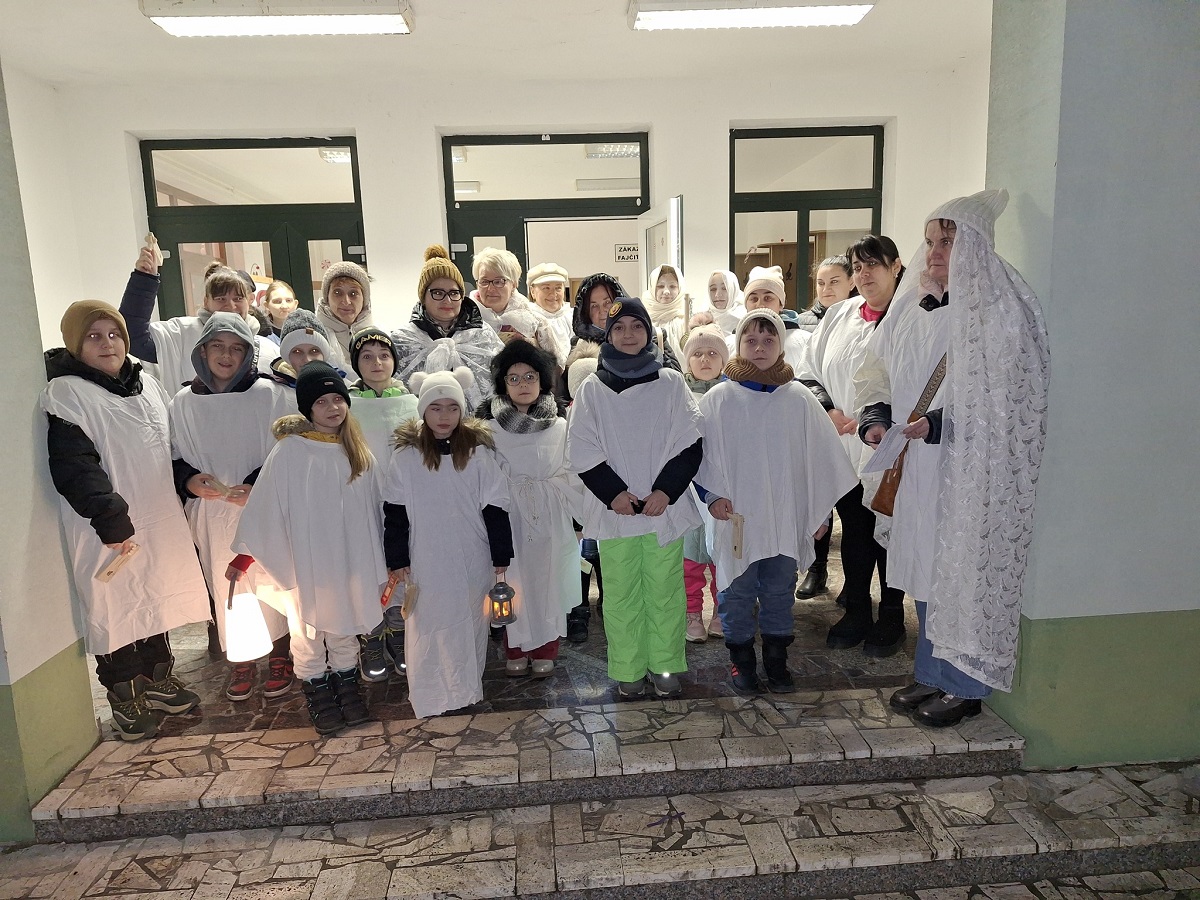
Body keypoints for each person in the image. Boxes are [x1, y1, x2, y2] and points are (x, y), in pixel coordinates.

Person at [855, 190, 1049, 727]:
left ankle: (965, 686)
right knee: (924, 565)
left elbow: (1009, 396)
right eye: (930, 241)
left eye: (948, 241)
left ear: (976, 247)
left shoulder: (999, 311)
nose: (935, 252)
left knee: (961, 573)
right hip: (917, 464)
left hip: (968, 469)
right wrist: (876, 417)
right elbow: (876, 370)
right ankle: (932, 671)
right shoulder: (909, 308)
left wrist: (938, 423)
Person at [42, 300, 210, 740]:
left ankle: (157, 677)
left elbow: (166, 446)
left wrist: (187, 479)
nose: (107, 343)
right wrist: (108, 516)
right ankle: (124, 693)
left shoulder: (146, 383)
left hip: (157, 515)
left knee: (156, 594)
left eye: (114, 334)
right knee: (116, 606)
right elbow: (75, 465)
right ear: (75, 343)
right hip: (106, 527)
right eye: (94, 336)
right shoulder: (67, 393)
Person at [697, 309, 858, 693]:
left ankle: (776, 660)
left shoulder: (799, 398)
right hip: (736, 518)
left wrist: (819, 514)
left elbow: (823, 459)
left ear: (781, 345)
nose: (759, 347)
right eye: (751, 340)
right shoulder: (719, 399)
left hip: (785, 517)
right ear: (739, 344)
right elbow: (698, 456)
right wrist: (711, 495)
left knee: (778, 592)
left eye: (768, 339)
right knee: (736, 593)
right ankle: (741, 662)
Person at [231, 362, 387, 735]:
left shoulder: (359, 452)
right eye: (321, 401)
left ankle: (347, 685)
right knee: (307, 629)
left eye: (338, 399)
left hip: (349, 559)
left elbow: (377, 509)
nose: (333, 407)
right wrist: (245, 556)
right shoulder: (290, 452)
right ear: (307, 408)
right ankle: (317, 688)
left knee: (346, 623)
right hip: (306, 561)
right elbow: (267, 507)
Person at [566, 297, 703, 699]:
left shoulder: (671, 383)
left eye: (637, 326)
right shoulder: (592, 389)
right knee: (622, 594)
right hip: (617, 514)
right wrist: (613, 494)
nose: (629, 334)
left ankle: (664, 664)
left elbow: (690, 442)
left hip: (663, 511)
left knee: (665, 591)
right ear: (608, 335)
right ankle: (628, 668)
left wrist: (665, 491)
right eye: (620, 327)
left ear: (649, 333)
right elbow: (581, 448)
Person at [169, 313, 295, 701]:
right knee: (227, 583)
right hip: (211, 513)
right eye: (218, 346)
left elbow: (288, 446)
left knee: (272, 580)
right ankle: (242, 657)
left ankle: (281, 653)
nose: (226, 355)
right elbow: (171, 454)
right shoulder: (183, 402)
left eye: (236, 348)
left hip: (264, 505)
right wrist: (189, 480)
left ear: (248, 353)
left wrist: (256, 484)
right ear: (202, 351)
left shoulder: (270, 395)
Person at [797, 235, 909, 656]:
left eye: (873, 265)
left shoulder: (912, 317)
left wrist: (878, 420)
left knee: (891, 534)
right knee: (856, 530)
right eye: (857, 267)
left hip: (893, 449)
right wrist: (827, 409)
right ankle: (858, 608)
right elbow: (808, 370)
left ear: (896, 266)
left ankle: (892, 615)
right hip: (843, 446)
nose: (864, 274)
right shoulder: (839, 314)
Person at [383, 368, 514, 718]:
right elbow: (395, 510)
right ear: (423, 410)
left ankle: (465, 689)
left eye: (452, 408)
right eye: (436, 407)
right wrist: (397, 558)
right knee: (428, 624)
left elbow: (495, 505)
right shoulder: (406, 457)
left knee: (469, 623)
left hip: (471, 553)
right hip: (425, 555)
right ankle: (431, 694)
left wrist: (501, 554)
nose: (445, 416)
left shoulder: (477, 453)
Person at [480, 340, 579, 677]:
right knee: (513, 582)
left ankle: (546, 649)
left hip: (551, 512)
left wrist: (574, 515)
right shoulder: (490, 430)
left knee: (549, 580)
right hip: (510, 514)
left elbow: (571, 469)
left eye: (530, 377)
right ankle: (516, 648)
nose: (523, 384)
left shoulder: (560, 426)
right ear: (503, 384)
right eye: (514, 378)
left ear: (543, 380)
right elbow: (484, 475)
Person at [345, 326, 418, 682]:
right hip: (363, 499)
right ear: (356, 362)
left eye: (384, 355)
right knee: (367, 566)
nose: (377, 363)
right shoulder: (347, 405)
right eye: (367, 356)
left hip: (402, 501)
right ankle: (371, 636)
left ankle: (398, 630)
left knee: (402, 562)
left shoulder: (411, 403)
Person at [119, 248, 279, 391]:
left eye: (238, 298)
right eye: (221, 299)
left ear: (249, 301)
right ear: (206, 302)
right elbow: (133, 337)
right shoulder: (181, 333)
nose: (230, 306)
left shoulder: (267, 347)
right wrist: (144, 279)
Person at [392, 245, 504, 413]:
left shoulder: (483, 335)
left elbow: (503, 382)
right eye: (438, 293)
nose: (447, 300)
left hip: (479, 426)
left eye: (454, 293)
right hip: (419, 428)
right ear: (423, 297)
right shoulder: (402, 341)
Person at [680, 325, 727, 642]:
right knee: (690, 558)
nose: (705, 359)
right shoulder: (678, 396)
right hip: (687, 489)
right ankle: (692, 613)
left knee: (723, 554)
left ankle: (722, 611)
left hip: (721, 487)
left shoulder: (732, 396)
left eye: (712, 353)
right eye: (697, 354)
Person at [472, 249, 566, 365]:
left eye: (499, 281)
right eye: (484, 281)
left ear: (514, 284)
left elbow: (557, 366)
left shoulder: (536, 322)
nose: (490, 289)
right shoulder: (465, 320)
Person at [736, 265, 811, 370]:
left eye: (767, 298)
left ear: (781, 304)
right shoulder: (732, 341)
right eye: (754, 299)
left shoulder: (806, 341)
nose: (760, 304)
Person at [315, 261, 373, 369]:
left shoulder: (378, 338)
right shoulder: (314, 338)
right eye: (338, 293)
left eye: (353, 293)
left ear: (364, 299)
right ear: (327, 298)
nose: (346, 301)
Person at [269, 309, 341, 390]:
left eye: (314, 351)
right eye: (297, 351)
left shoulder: (341, 386)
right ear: (287, 356)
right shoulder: (273, 391)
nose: (307, 359)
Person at [526, 262, 573, 366]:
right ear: (533, 292)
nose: (553, 294)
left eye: (558, 288)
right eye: (546, 288)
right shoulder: (527, 319)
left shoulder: (574, 316)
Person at [798, 255, 855, 333]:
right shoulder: (798, 323)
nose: (826, 289)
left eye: (834, 281)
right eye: (821, 283)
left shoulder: (863, 320)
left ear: (852, 283)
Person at [642, 264, 689, 361]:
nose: (666, 291)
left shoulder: (686, 322)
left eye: (672, 286)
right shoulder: (642, 319)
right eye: (660, 286)